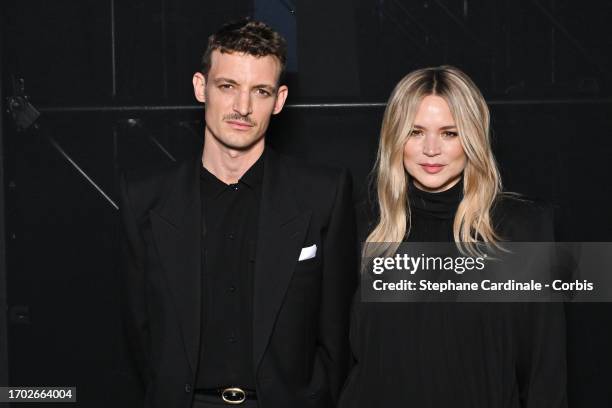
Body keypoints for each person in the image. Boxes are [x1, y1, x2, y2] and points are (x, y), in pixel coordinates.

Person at [119, 18, 356, 408]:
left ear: (278, 100)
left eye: (259, 91)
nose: (242, 107)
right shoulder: (145, 198)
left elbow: (337, 331)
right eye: (228, 86)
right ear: (201, 87)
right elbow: (138, 332)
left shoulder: (323, 194)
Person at [338, 66, 567, 407]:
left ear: (472, 137)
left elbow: (545, 372)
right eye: (415, 132)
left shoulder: (521, 230)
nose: (432, 149)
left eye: (449, 133)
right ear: (394, 138)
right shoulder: (358, 226)